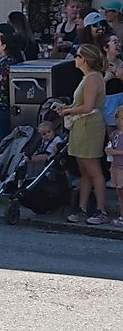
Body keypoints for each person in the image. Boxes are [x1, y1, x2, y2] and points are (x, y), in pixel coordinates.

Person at [58, 44, 108, 225]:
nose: (75, 59)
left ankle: (101, 210)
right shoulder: (87, 77)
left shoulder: (93, 78)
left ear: (84, 59)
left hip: (89, 126)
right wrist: (69, 108)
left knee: (94, 170)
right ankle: (82, 207)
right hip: (80, 126)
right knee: (84, 172)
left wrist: (68, 112)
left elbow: (88, 107)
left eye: (77, 55)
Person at [105, 107, 123, 224]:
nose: (119, 121)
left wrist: (115, 152)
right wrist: (109, 149)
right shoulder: (115, 134)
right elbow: (111, 145)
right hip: (115, 166)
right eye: (117, 118)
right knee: (119, 192)